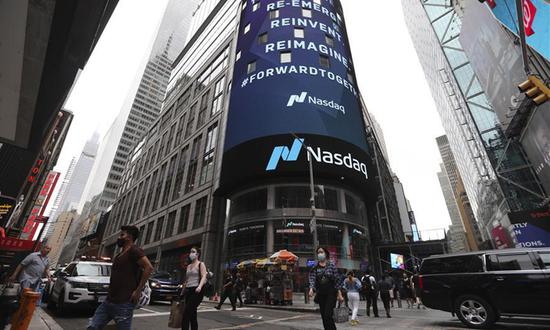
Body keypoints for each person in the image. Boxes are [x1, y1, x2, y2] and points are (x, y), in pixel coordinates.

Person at [88, 226, 154, 330]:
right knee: (93, 327)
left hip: (124, 303)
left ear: (130, 237)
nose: (119, 237)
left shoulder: (134, 250)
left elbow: (149, 268)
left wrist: (138, 291)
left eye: (122, 235)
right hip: (108, 302)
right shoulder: (119, 255)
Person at [308, 247, 344, 330]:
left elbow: (337, 280)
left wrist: (339, 294)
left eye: (322, 252)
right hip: (321, 294)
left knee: (328, 315)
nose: (320, 254)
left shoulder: (331, 265)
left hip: (331, 293)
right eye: (318, 252)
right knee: (324, 317)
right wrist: (311, 289)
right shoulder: (315, 267)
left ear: (326, 254)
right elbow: (312, 279)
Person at [180, 247, 208, 330]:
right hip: (188, 291)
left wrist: (199, 286)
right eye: (190, 251)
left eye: (193, 251)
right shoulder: (188, 266)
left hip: (197, 291)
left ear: (197, 254)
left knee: (186, 314)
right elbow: (186, 280)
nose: (190, 253)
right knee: (192, 315)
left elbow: (204, 276)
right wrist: (182, 292)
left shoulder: (201, 264)